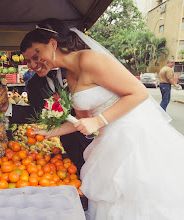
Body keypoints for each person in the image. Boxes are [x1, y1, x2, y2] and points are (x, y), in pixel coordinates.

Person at [21, 18, 184, 219]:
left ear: (53, 44)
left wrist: (98, 122)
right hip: (106, 142)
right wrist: (50, 132)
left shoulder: (89, 59)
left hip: (131, 137)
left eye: (37, 53)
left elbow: (139, 93)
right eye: (30, 59)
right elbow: (83, 120)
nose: (36, 62)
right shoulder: (71, 75)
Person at [0, 64, 92, 175]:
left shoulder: (75, 70)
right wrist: (9, 109)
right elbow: (36, 112)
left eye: (36, 57)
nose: (33, 64)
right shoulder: (34, 83)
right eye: (28, 61)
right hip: (70, 142)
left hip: (95, 136)